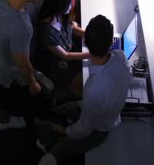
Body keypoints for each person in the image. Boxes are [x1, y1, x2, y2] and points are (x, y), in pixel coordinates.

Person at [35, 15, 132, 165]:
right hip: (102, 113)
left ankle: (48, 144)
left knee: (61, 144)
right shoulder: (121, 57)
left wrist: (65, 131)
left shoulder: (92, 90)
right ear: (111, 41)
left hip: (99, 130)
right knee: (56, 112)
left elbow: (84, 128)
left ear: (86, 42)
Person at [0, 0, 49, 130]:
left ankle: (4, 117)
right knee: (4, 96)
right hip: (8, 68)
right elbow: (22, 63)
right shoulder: (21, 27)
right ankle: (4, 123)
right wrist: (32, 83)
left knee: (0, 92)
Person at [35, 0, 89, 102]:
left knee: (89, 75)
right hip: (57, 64)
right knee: (86, 81)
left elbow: (72, 28)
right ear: (59, 4)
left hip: (68, 53)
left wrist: (90, 34)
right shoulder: (46, 30)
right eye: (69, 2)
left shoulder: (61, 15)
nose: (72, 4)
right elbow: (65, 56)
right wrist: (91, 54)